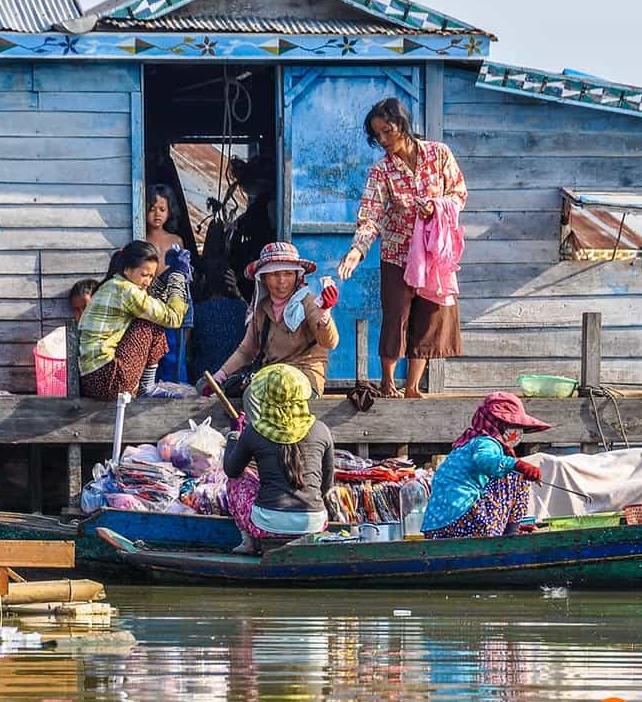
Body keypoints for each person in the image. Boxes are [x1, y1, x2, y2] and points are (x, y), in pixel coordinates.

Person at [337, 97, 468, 399]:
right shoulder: (381, 172)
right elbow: (370, 217)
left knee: (426, 318)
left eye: (387, 131)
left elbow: (459, 193)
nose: (383, 140)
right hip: (397, 255)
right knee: (396, 316)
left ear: (403, 125)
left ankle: (411, 387)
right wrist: (357, 251)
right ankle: (387, 382)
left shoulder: (438, 155)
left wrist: (436, 208)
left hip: (432, 255)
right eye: (377, 135)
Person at [207, 242, 339, 410]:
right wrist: (219, 377)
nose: (282, 281)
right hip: (270, 378)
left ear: (297, 277)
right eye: (275, 274)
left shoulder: (309, 303)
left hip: (304, 379)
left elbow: (330, 342)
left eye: (288, 274)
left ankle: (256, 435)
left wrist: (325, 314)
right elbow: (246, 351)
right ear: (263, 278)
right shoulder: (262, 309)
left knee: (254, 394)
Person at [223, 364, 335, 555]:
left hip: (267, 525)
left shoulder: (254, 431)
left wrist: (234, 436)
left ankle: (248, 542)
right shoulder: (321, 430)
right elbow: (326, 484)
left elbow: (232, 471)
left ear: (266, 398)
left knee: (236, 481)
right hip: (314, 523)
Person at [422, 393, 549, 539]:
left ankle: (512, 529)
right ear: (498, 424)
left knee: (509, 471)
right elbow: (484, 460)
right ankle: (511, 535)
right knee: (517, 477)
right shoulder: (486, 442)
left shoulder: (467, 444)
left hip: (436, 527)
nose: (517, 432)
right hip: (463, 520)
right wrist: (519, 465)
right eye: (513, 426)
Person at [77, 241, 189, 401]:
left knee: (151, 315)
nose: (148, 282)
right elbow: (173, 318)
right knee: (151, 322)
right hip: (108, 379)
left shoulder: (114, 285)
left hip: (94, 380)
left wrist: (165, 278)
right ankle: (146, 388)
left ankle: (145, 387)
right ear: (127, 269)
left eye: (151, 276)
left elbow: (151, 301)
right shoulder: (127, 290)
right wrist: (178, 277)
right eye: (144, 275)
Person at [144, 184, 194, 383]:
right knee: (153, 354)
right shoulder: (141, 239)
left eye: (162, 209)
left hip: (175, 303)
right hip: (151, 304)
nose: (157, 214)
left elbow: (183, 277)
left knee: (176, 354)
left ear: (169, 211)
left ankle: (177, 393)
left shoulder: (176, 240)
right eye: (152, 208)